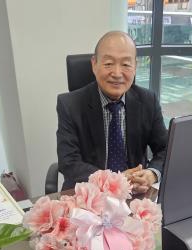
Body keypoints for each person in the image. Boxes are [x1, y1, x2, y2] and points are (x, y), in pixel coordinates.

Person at [56, 31, 167, 193]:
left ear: (135, 66)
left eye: (126, 64)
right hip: (90, 193)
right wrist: (114, 180)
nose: (117, 73)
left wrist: (152, 173)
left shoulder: (148, 100)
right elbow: (68, 162)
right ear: (94, 64)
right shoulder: (70, 105)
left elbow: (165, 149)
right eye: (108, 63)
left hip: (134, 192)